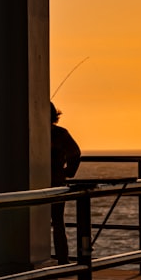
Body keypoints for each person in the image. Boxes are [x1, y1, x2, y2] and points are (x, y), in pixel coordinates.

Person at [50, 102, 81, 264]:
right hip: (57, 182)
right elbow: (75, 154)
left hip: (39, 183)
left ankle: (60, 258)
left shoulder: (36, 133)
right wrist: (68, 172)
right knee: (58, 222)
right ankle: (63, 259)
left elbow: (75, 153)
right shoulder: (60, 134)